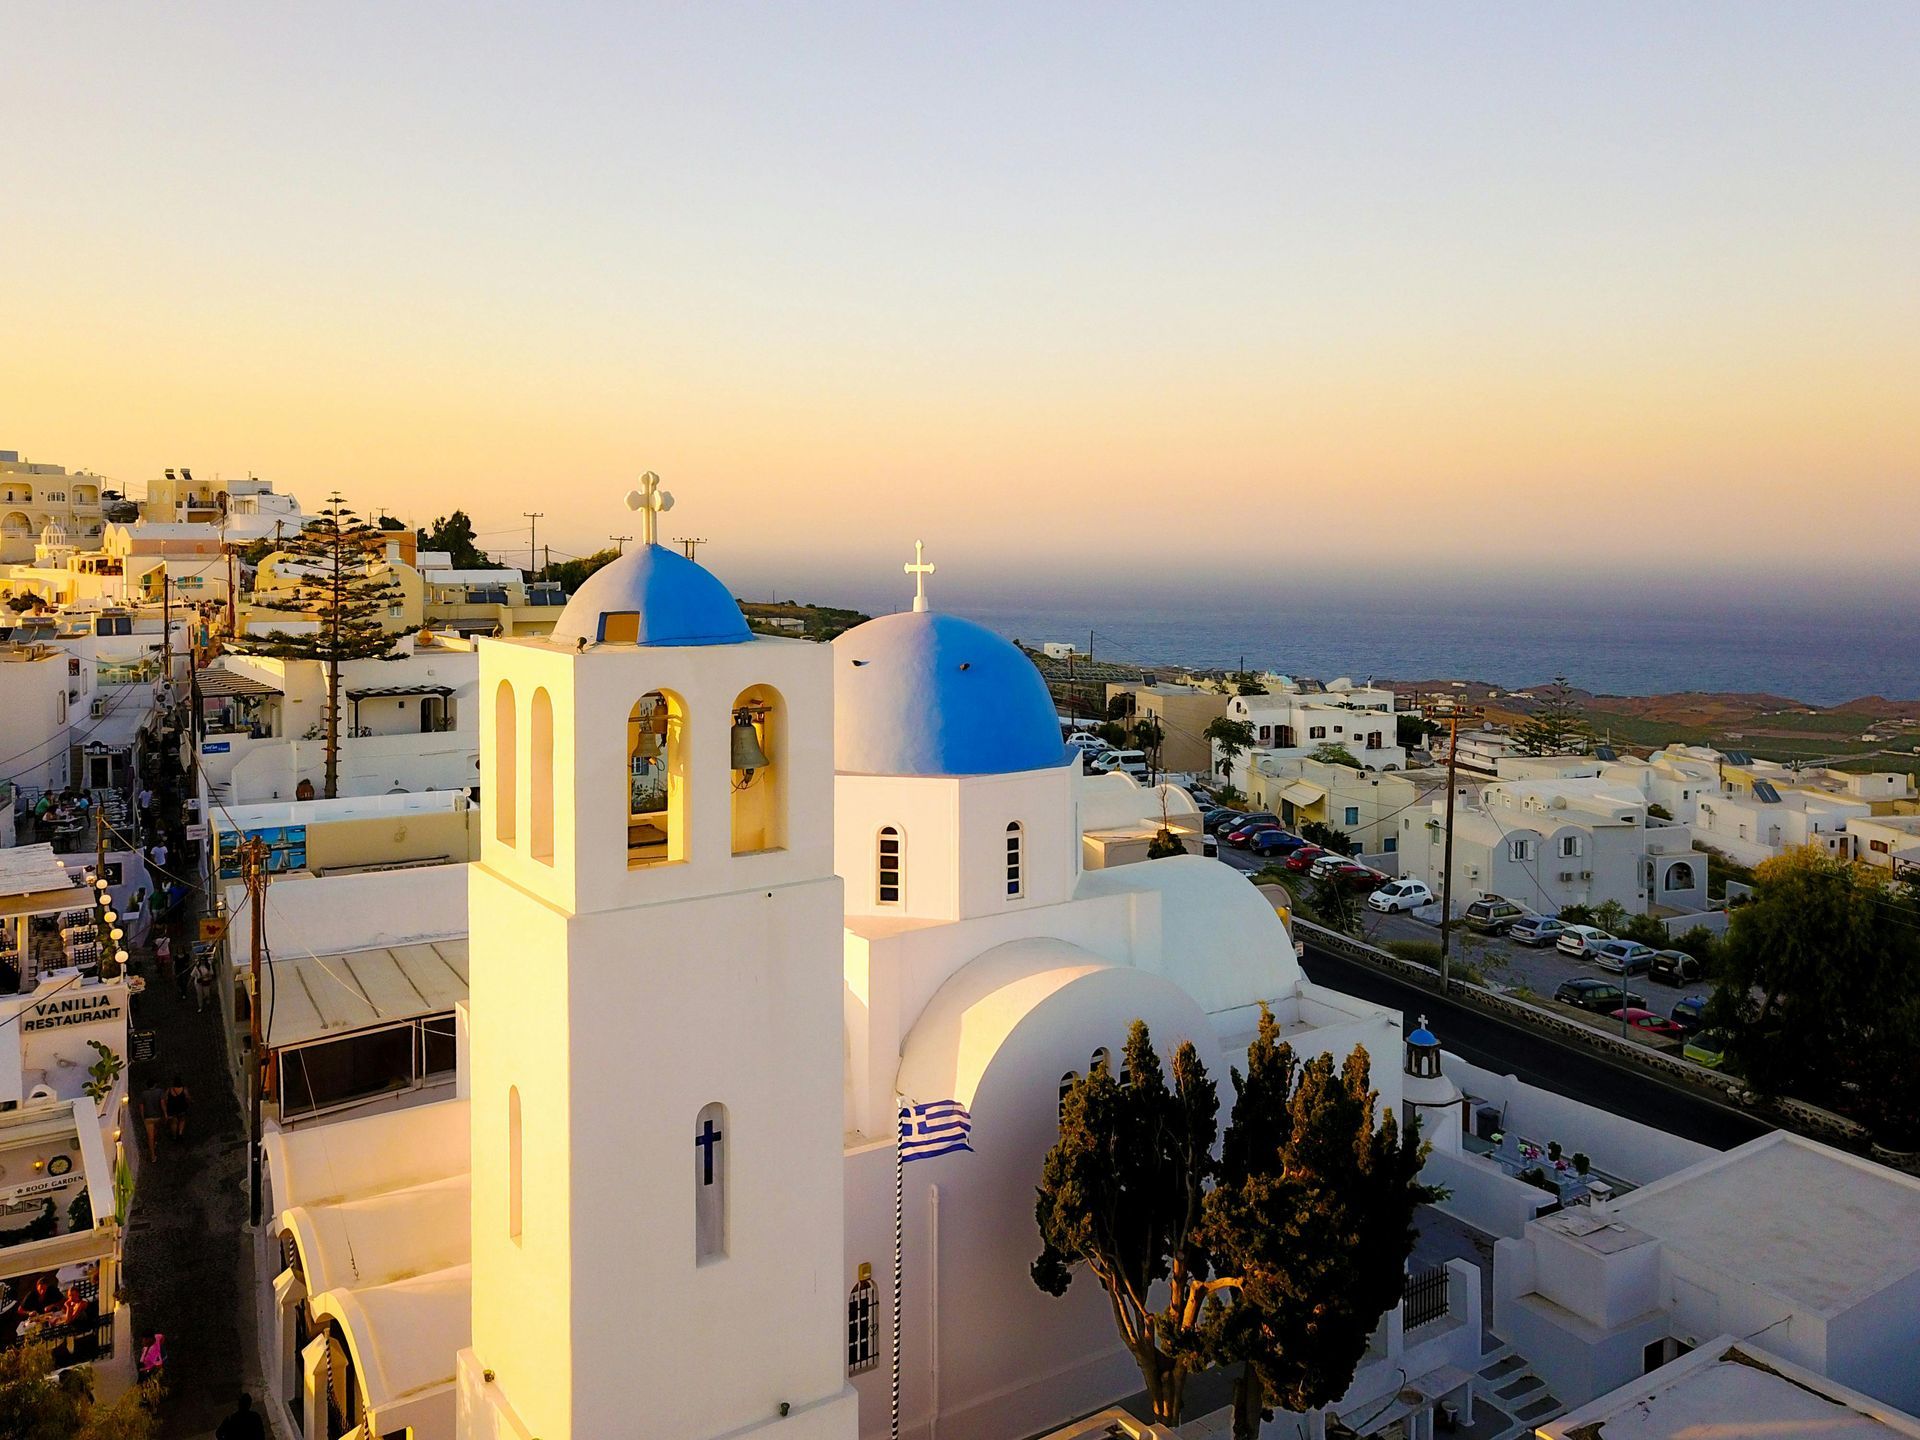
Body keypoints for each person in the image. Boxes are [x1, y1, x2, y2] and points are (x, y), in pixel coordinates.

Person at [140, 1079, 165, 1161]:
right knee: (156, 1129)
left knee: (150, 1137)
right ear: (155, 1085)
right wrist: (165, 1113)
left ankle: (153, 1156)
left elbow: (141, 1107)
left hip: (148, 1118)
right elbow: (162, 1103)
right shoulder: (160, 1091)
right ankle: (154, 1142)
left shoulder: (143, 1094)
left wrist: (143, 1117)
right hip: (158, 1116)